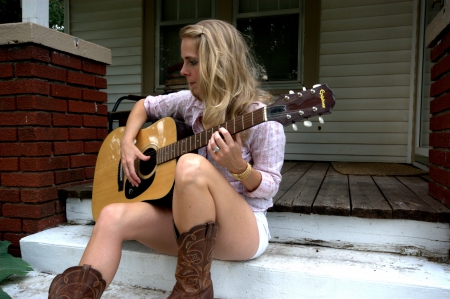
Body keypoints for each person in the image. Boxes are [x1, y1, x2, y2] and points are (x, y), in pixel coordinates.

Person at [48, 19, 285, 299]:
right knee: (111, 215)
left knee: (191, 165)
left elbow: (269, 187)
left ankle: (192, 291)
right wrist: (127, 142)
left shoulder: (264, 121)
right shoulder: (189, 102)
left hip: (243, 231)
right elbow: (143, 105)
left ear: (220, 63)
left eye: (192, 62)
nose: (183, 70)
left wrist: (240, 168)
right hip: (189, 230)